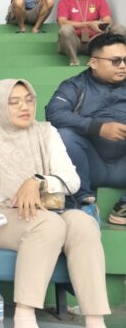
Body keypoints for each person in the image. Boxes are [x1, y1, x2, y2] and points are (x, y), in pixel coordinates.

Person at [0, 79, 111, 328]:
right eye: (14, 102)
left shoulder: (47, 134)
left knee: (84, 224)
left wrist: (38, 181)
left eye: (29, 100)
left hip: (49, 210)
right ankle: (24, 320)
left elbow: (72, 179)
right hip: (2, 216)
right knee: (48, 224)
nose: (24, 107)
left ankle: (95, 323)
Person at [46, 33, 126, 220]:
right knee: (64, 134)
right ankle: (83, 201)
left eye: (125, 60)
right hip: (90, 166)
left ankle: (123, 206)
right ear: (93, 62)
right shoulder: (75, 85)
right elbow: (54, 113)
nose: (123, 66)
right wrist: (98, 128)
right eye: (115, 61)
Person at [57, 0, 126, 66]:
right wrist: (89, 24)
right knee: (65, 30)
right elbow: (62, 22)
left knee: (119, 29)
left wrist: (101, 26)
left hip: (95, 41)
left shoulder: (100, 0)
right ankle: (74, 59)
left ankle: (108, 56)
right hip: (74, 41)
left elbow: (107, 20)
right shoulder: (64, 1)